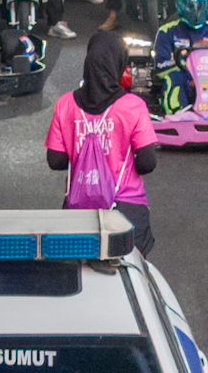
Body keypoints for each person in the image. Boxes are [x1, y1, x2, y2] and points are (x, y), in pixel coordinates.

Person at [46, 31, 160, 252]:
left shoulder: (65, 104)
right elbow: (147, 163)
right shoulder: (133, 106)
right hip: (126, 209)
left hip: (77, 209)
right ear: (119, 63)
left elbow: (56, 160)